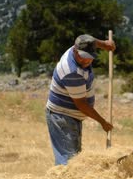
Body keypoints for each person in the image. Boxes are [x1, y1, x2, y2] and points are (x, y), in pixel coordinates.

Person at [46, 34, 115, 165]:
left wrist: (105, 44)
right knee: (68, 161)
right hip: (62, 116)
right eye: (83, 58)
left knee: (74, 157)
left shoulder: (81, 45)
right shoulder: (72, 72)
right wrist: (103, 122)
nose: (86, 61)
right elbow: (82, 105)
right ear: (75, 50)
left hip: (71, 116)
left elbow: (90, 40)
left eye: (90, 58)